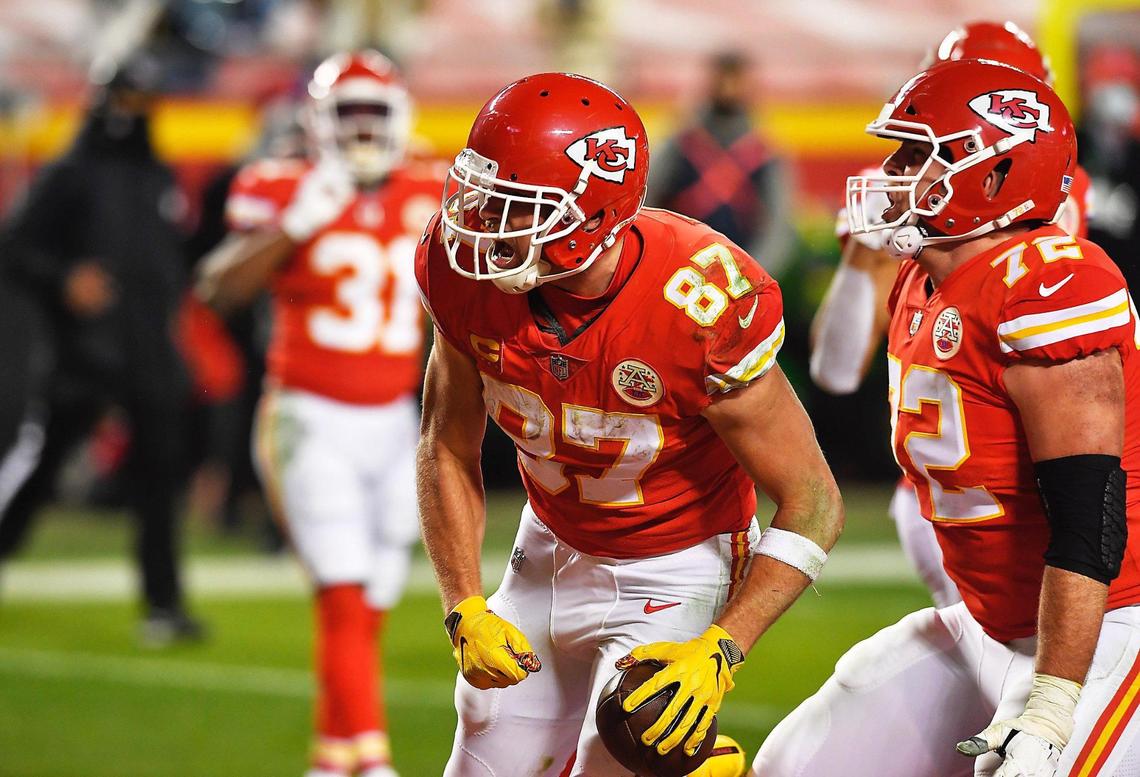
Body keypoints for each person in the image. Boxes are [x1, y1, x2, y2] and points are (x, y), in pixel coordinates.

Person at [415, 72, 844, 777]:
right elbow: (446, 443)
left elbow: (815, 501)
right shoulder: (464, 273)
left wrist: (723, 646)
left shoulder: (697, 300)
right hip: (550, 538)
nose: (483, 223)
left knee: (613, 755)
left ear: (592, 215)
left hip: (678, 558)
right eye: (483, 193)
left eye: (516, 205)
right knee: (484, 738)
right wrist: (462, 601)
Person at [753, 58, 1140, 777]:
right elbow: (835, 368)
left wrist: (1053, 703)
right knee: (794, 765)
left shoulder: (1049, 289)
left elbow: (1091, 519)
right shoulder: (919, 273)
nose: (891, 172)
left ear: (992, 178)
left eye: (916, 155)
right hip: (989, 623)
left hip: (1109, 626)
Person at [197, 51, 439, 777]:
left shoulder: (433, 183)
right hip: (311, 412)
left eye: (375, 113)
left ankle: (332, 758)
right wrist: (295, 225)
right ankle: (374, 760)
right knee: (340, 587)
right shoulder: (279, 185)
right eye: (349, 113)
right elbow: (215, 290)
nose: (363, 130)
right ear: (317, 119)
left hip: (398, 419)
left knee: (373, 597)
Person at [809, 20, 1093, 610]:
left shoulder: (1053, 208)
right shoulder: (903, 194)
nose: (898, 169)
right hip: (952, 484)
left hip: (1027, 481)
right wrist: (863, 262)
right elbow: (835, 371)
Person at [0, 50, 202, 645]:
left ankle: (162, 604)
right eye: (127, 98)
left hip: (148, 345)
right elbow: (15, 247)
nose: (133, 113)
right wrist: (64, 278)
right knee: (41, 467)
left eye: (144, 101)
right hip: (86, 348)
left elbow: (170, 258)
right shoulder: (73, 171)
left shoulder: (156, 174)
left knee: (161, 475)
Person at [647, 51, 795, 275]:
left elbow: (778, 223)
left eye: (735, 80)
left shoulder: (763, 153)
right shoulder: (681, 144)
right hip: (679, 262)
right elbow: (649, 199)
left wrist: (751, 273)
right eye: (722, 79)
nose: (728, 87)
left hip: (739, 266)